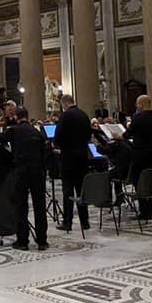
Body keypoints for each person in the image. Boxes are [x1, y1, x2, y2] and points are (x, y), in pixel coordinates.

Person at [0, 107, 49, 251]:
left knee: (21, 206)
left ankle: (22, 241)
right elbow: (45, 154)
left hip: (21, 171)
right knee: (39, 205)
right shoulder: (37, 132)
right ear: (27, 116)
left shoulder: (14, 130)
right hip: (37, 171)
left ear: (16, 117)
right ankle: (42, 241)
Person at [53, 94, 93, 232]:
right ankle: (85, 221)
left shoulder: (65, 116)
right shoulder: (84, 115)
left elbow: (58, 137)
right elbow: (88, 135)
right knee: (81, 189)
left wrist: (58, 144)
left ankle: (67, 222)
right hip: (82, 157)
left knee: (68, 191)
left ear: (64, 104)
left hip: (68, 157)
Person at [125, 94, 152, 221]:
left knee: (138, 181)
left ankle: (143, 210)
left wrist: (120, 136)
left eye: (137, 103)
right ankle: (150, 211)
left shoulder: (137, 117)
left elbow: (129, 133)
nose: (136, 105)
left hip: (139, 153)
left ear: (141, 104)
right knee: (150, 180)